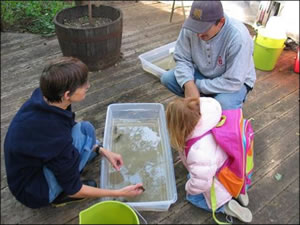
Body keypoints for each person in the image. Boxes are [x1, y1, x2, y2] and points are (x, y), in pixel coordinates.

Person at [4, 57, 144, 209]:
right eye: (83, 85)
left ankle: (82, 158)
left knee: (86, 129)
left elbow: (68, 127)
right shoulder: (55, 137)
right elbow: (75, 189)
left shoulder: (45, 97)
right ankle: (58, 196)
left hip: (29, 166)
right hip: (34, 191)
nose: (88, 86)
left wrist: (101, 150)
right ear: (67, 95)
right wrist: (119, 192)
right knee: (71, 178)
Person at [166, 96, 253, 223]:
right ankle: (239, 190)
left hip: (219, 180)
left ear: (180, 128)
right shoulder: (210, 113)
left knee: (193, 197)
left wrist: (189, 187)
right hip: (235, 167)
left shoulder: (198, 153)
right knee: (203, 173)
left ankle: (224, 206)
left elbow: (201, 183)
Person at [161, 1, 256, 110]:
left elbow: (234, 81)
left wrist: (197, 85)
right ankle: (205, 101)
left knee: (223, 104)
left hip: (234, 82)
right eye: (196, 27)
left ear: (221, 22)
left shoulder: (238, 37)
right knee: (168, 78)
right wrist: (188, 83)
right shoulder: (190, 27)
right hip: (203, 73)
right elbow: (182, 58)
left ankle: (216, 102)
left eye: (204, 28)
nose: (198, 34)